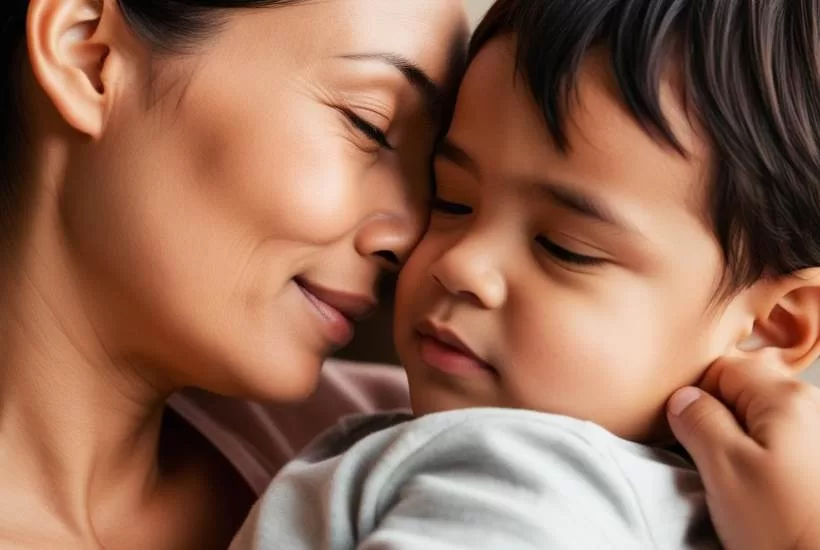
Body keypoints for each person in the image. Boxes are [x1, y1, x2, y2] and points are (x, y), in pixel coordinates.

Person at [230, 0, 820, 548]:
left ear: (772, 325)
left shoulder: (519, 478)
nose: (460, 263)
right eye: (451, 201)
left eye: (565, 248)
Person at [0, 0, 467, 548]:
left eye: (435, 173)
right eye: (369, 123)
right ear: (89, 58)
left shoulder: (432, 456)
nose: (411, 236)